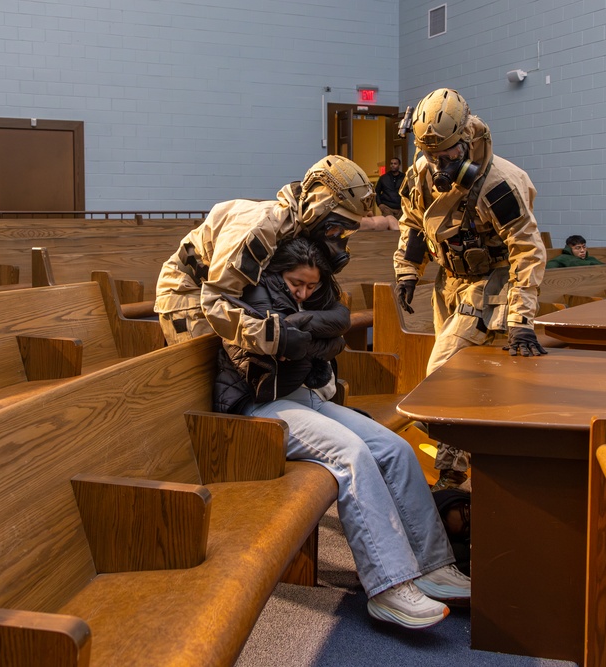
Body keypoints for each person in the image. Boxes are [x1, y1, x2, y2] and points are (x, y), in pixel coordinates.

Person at [213, 235, 471, 630]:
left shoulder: (307, 297)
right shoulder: (252, 293)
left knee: (395, 448)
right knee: (351, 454)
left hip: (302, 397)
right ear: (277, 273)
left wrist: (309, 332)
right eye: (296, 283)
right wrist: (313, 337)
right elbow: (290, 345)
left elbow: (336, 326)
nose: (303, 292)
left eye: (311, 286)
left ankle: (433, 565)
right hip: (260, 407)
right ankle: (389, 587)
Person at [393, 88, 547, 491]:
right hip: (449, 283)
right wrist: (408, 269)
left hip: (491, 284)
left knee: (440, 375)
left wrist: (521, 320)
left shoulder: (498, 182)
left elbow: (528, 250)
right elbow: (412, 222)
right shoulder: (422, 172)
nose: (438, 165)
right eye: (431, 155)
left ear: (467, 140)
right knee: (465, 382)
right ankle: (451, 474)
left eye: (446, 156)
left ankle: (463, 466)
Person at [154, 155, 374, 346]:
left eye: (346, 232)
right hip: (188, 294)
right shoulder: (260, 231)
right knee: (207, 376)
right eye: (335, 228)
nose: (338, 239)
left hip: (225, 294)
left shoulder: (301, 227)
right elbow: (217, 301)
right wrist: (276, 339)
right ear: (316, 209)